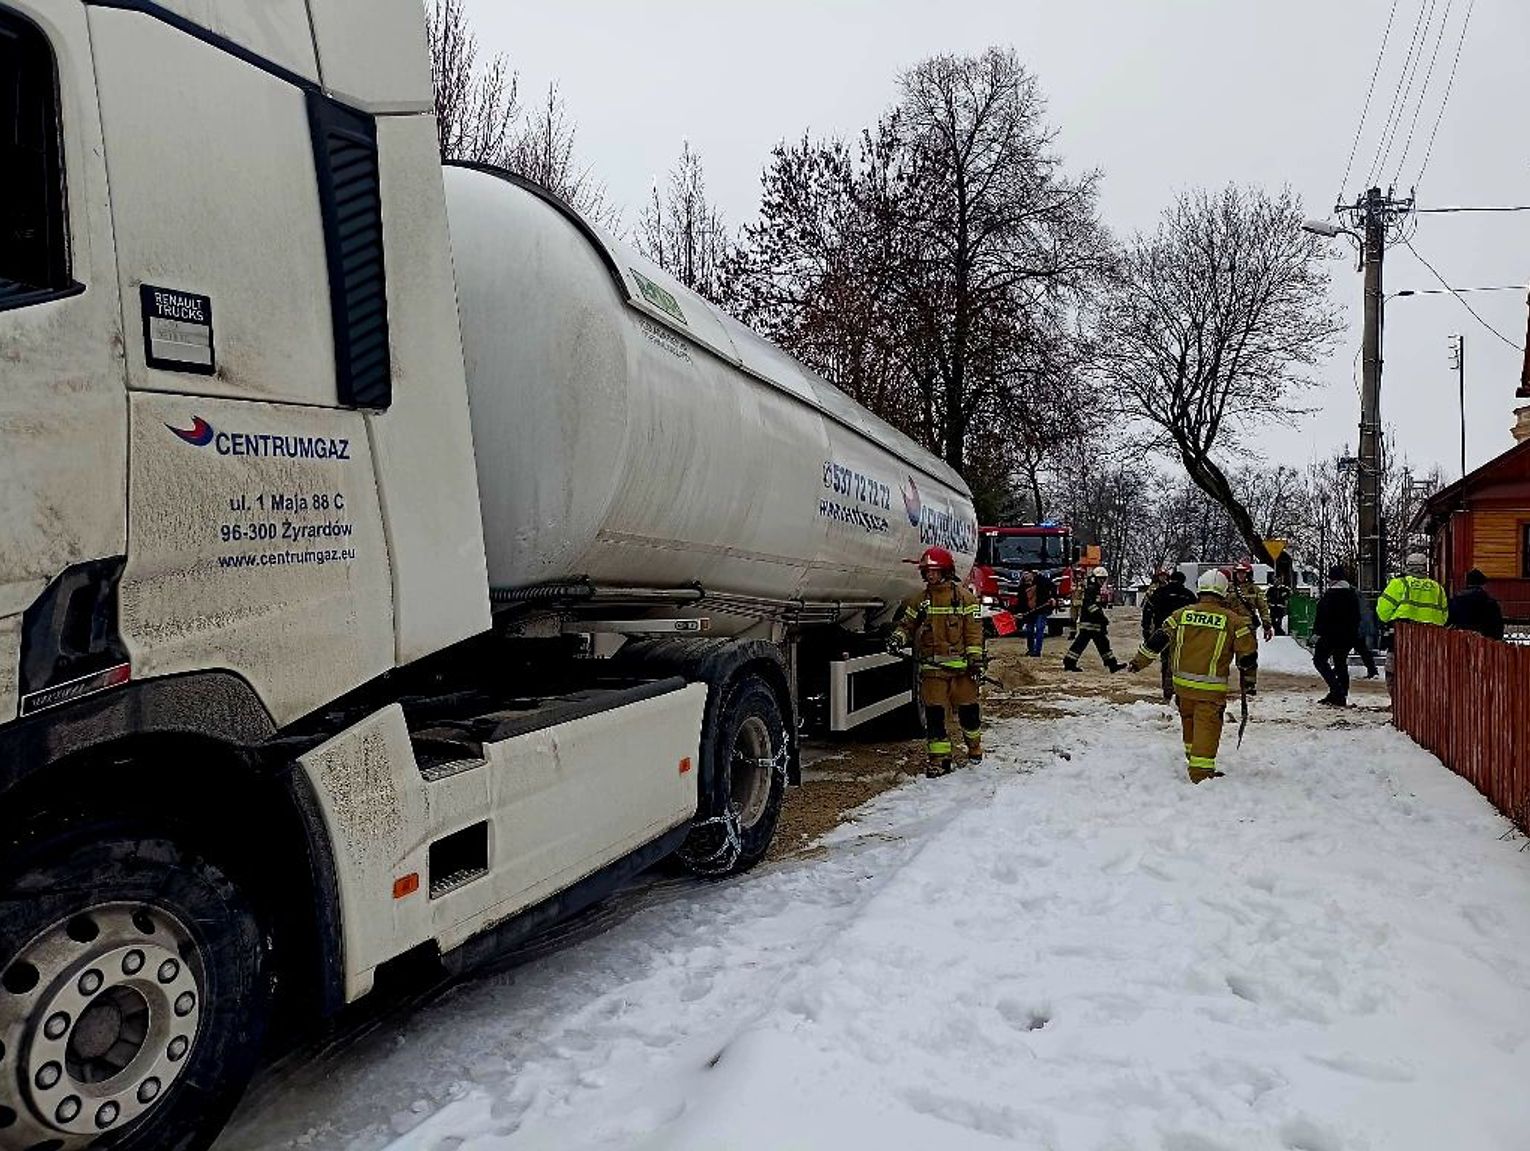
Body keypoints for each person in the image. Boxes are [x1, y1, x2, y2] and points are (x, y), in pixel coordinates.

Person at [1128, 569, 1259, 783]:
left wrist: (1137, 663)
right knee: (1207, 727)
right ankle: (1201, 773)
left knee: (1189, 721)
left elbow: (1157, 641)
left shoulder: (1181, 615)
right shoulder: (1233, 621)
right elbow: (1248, 657)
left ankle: (1192, 757)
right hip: (1211, 691)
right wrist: (1249, 679)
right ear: (1224, 593)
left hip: (1182, 688)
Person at [888, 546, 985, 778]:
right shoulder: (920, 601)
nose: (930, 575)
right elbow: (907, 626)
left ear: (946, 571)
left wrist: (975, 659)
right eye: (926, 571)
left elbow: (974, 632)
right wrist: (897, 638)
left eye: (934, 571)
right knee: (935, 717)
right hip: (932, 671)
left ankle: (974, 748)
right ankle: (939, 760)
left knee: (969, 715)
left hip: (962, 671)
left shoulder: (966, 599)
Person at [1142, 570, 1198, 702]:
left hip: (1163, 632)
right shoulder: (1189, 595)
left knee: (1166, 661)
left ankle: (1167, 691)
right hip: (1183, 634)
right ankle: (1181, 690)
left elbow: (1148, 611)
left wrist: (1146, 629)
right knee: (1181, 662)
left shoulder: (1159, 592)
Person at [1312, 564, 1362, 707]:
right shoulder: (1351, 594)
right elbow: (1357, 616)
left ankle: (1336, 691)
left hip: (1329, 636)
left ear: (1332, 579)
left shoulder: (1329, 595)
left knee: (1319, 661)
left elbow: (1322, 616)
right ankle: (1341, 694)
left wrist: (1317, 633)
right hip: (1347, 636)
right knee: (1340, 663)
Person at [1063, 566, 1122, 673]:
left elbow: (1096, 605)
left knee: (1101, 643)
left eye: (1104, 579)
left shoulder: (1095, 589)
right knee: (1083, 643)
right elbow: (1091, 606)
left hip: (1093, 622)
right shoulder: (1092, 589)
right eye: (1100, 579)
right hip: (1089, 622)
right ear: (1094, 578)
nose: (1102, 581)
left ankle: (1112, 664)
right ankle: (1069, 662)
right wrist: (1102, 618)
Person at [1376, 554, 1448, 628]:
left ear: (1407, 566)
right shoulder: (1438, 587)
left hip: (1404, 631)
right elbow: (1444, 616)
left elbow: (1383, 610)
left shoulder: (1399, 583)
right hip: (1433, 633)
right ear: (1425, 567)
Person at [1447, 569, 1505, 640]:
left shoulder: (1456, 601)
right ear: (1482, 585)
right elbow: (1497, 626)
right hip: (1483, 642)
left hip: (1459, 640)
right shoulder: (1489, 603)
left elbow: (1449, 620)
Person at [1229, 560, 1275, 641]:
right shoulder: (1228, 588)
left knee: (1249, 650)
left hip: (1248, 626)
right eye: (1238, 573)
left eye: (1243, 573)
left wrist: (1266, 624)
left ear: (1248, 574)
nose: (1240, 575)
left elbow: (1263, 608)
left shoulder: (1255, 589)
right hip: (1231, 625)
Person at [1017, 569, 1056, 657]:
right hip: (1029, 612)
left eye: (1027, 574)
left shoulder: (1042, 581)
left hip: (1041, 610)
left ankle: (1037, 651)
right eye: (1024, 575)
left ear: (1032, 574)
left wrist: (1053, 597)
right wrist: (1019, 612)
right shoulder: (1022, 587)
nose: (1026, 576)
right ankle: (1031, 649)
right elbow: (1020, 601)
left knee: (1039, 628)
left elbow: (1053, 587)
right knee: (1029, 630)